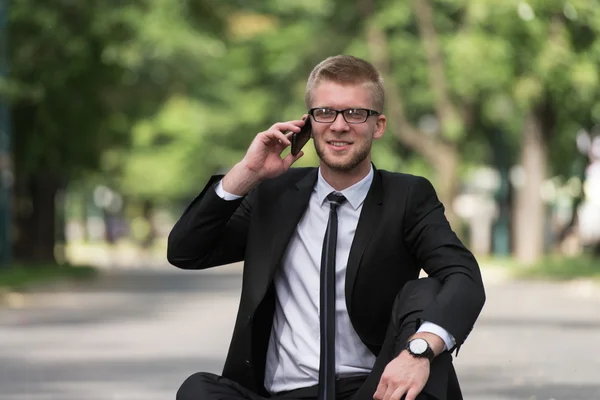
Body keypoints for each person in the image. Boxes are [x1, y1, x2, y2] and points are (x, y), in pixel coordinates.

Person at [167, 55, 486, 400]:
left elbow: (463, 277)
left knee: (424, 292)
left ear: (378, 125)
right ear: (308, 123)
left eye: (354, 113)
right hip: (285, 393)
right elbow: (186, 251)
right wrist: (247, 172)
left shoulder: (406, 196)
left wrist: (419, 351)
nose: (338, 125)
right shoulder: (274, 195)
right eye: (325, 112)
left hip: (373, 390)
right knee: (197, 391)